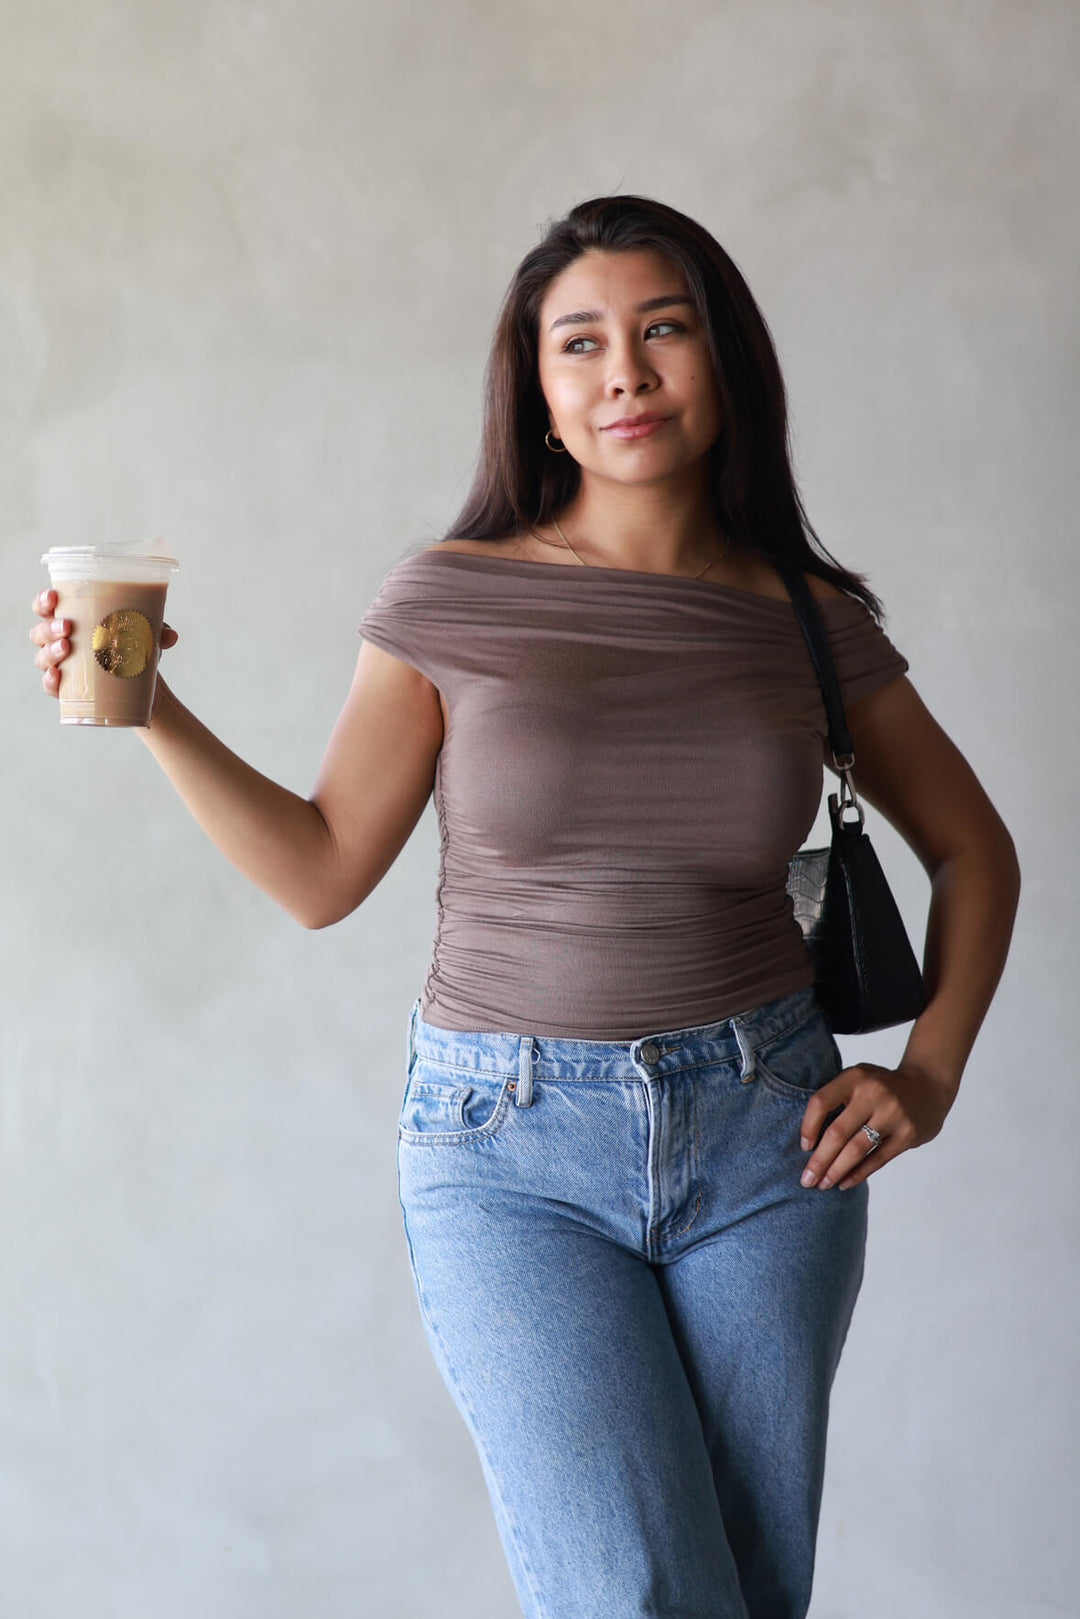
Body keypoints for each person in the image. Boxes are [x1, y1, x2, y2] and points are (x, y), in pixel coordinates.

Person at [30, 195, 1020, 1619]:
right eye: (581, 343)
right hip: (508, 1152)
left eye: (662, 329)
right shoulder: (453, 599)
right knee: (636, 1593)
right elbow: (321, 873)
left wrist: (929, 1078)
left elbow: (975, 849)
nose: (625, 370)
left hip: (768, 1140)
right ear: (540, 395)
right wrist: (155, 710)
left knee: (743, 1588)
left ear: (724, 364)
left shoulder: (805, 620)